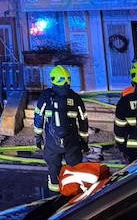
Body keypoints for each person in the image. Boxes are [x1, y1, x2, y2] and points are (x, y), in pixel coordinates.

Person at [34, 65, 89, 194]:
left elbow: (38, 118)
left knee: (54, 171)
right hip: (72, 143)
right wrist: (84, 141)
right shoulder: (75, 98)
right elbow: (83, 121)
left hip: (52, 143)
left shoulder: (46, 96)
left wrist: (38, 137)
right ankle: (74, 197)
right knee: (75, 171)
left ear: (53, 79)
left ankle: (54, 196)